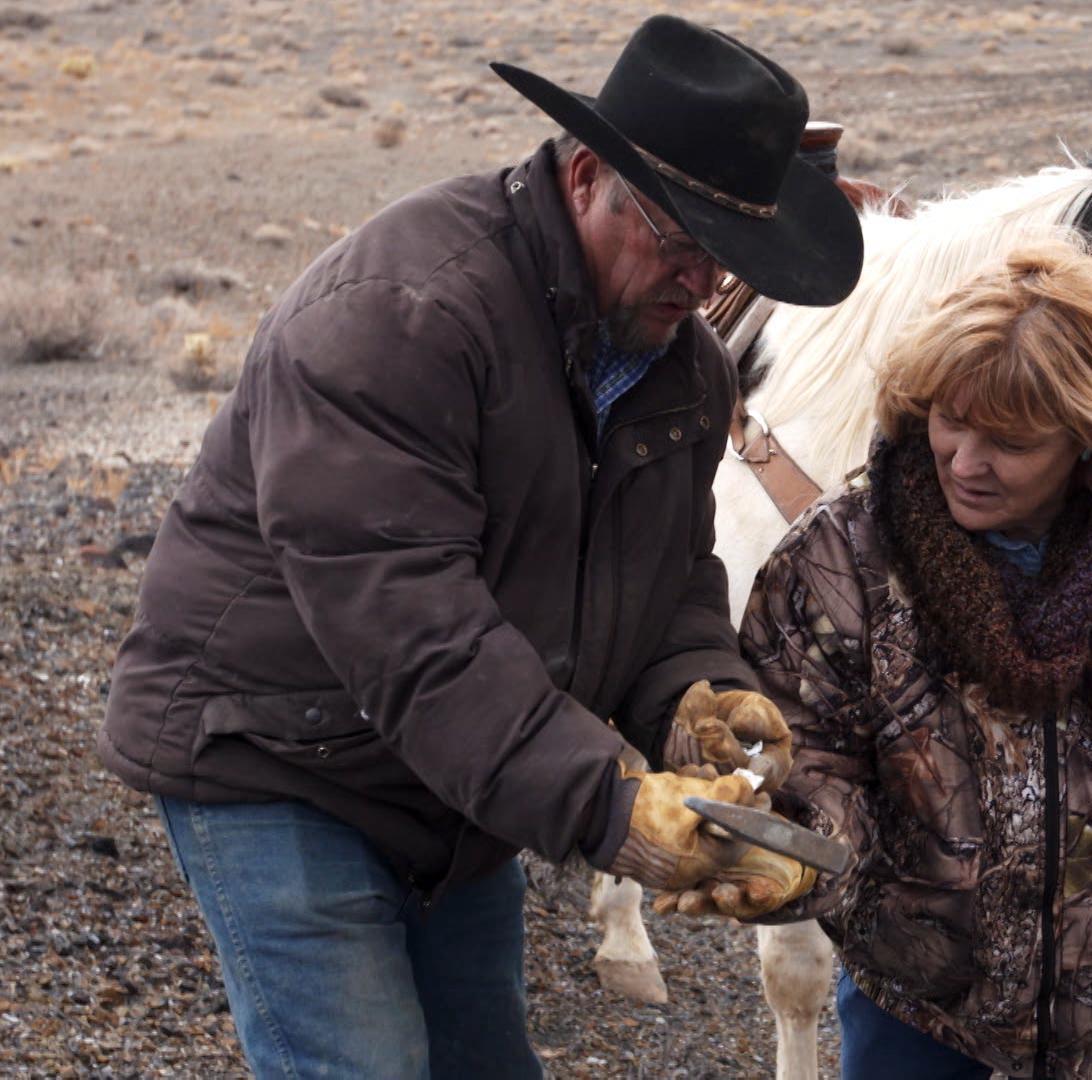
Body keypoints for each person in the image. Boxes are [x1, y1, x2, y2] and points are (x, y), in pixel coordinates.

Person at [96, 16, 860, 1078]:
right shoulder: (402, 321)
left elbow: (671, 581)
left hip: (456, 773)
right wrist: (612, 807)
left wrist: (697, 701)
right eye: (679, 240)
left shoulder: (682, 370)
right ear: (588, 174)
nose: (700, 283)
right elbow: (412, 628)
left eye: (726, 261)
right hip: (276, 754)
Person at [656, 235, 1092, 1080]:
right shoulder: (848, 556)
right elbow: (806, 754)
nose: (964, 461)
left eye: (1012, 442)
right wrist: (784, 853)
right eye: (949, 420)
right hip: (918, 996)